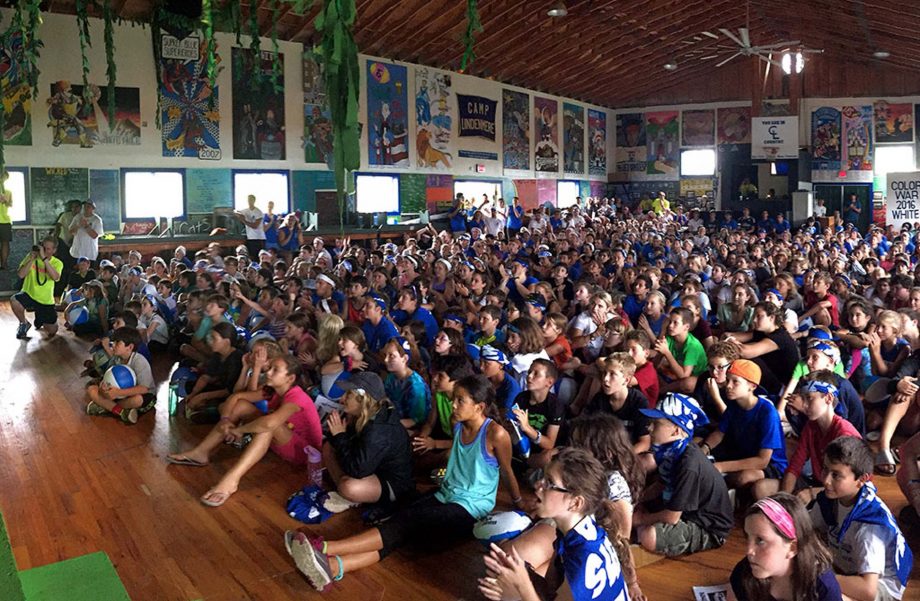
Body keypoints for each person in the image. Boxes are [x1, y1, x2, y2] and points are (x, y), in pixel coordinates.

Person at [285, 374, 522, 591]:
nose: (453, 405)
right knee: (401, 521)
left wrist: (519, 503)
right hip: (447, 494)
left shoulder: (496, 434)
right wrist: (427, 459)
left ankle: (324, 548)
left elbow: (507, 471)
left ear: (479, 407)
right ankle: (335, 567)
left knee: (408, 521)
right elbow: (457, 453)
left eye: (460, 401)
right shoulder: (458, 423)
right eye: (454, 399)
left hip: (472, 508)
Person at [167, 354, 322, 507]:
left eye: (275, 370)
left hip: (305, 454)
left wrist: (240, 430)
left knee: (268, 426)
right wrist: (226, 420)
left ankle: (230, 482)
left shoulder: (297, 397)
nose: (268, 372)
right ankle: (201, 452)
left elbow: (269, 423)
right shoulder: (272, 390)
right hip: (283, 439)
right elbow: (236, 398)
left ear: (290, 378)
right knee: (241, 405)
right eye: (270, 368)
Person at [478, 448, 629, 601]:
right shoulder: (578, 530)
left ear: (575, 503)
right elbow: (551, 589)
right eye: (543, 477)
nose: (538, 484)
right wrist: (523, 574)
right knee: (506, 576)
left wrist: (522, 589)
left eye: (550, 483)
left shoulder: (583, 559)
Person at [811, 436, 913, 601]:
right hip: (850, 567)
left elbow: (868, 590)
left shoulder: (869, 526)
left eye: (836, 475)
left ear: (862, 479)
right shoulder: (831, 499)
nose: (826, 480)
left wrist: (819, 577)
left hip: (879, 585)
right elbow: (809, 530)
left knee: (823, 594)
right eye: (825, 469)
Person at [634, 392, 733, 557]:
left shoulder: (689, 464)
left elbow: (672, 517)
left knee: (648, 536)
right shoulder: (670, 451)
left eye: (656, 424)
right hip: (684, 510)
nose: (649, 428)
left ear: (676, 431)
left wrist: (639, 519)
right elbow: (662, 483)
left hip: (707, 526)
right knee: (637, 508)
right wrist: (637, 500)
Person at [753, 373, 860, 503]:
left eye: (809, 398)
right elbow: (795, 466)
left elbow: (853, 483)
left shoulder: (844, 433)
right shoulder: (811, 426)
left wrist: (813, 493)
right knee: (761, 488)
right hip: (818, 483)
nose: (804, 404)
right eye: (803, 399)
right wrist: (784, 499)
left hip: (840, 492)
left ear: (828, 398)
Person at [322, 372, 415, 513]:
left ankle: (351, 496)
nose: (342, 399)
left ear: (363, 400)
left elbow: (357, 470)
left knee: (348, 487)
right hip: (370, 467)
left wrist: (340, 435)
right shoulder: (364, 415)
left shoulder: (378, 430)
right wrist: (338, 434)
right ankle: (350, 495)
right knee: (329, 447)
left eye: (348, 395)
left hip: (392, 482)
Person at [728, 493, 841, 601]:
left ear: (792, 548)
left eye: (760, 541)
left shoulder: (822, 587)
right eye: (747, 537)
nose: (749, 550)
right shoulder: (743, 576)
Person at [701, 359, 788, 493]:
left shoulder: (767, 412)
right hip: (743, 453)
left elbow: (762, 461)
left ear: (752, 386)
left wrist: (721, 467)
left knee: (744, 477)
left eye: (735, 382)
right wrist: (704, 448)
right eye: (728, 380)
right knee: (696, 448)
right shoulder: (734, 404)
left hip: (771, 464)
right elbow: (719, 433)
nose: (728, 386)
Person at [84, 327, 156, 424]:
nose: (113, 345)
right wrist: (104, 388)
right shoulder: (115, 359)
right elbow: (106, 378)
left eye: (117, 343)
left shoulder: (139, 361)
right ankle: (122, 412)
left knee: (137, 400)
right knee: (92, 389)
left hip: (142, 395)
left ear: (129, 347)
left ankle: (106, 406)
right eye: (113, 342)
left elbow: (144, 388)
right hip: (119, 395)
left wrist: (118, 392)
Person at [13, 236, 63, 340]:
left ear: (54, 250)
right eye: (43, 248)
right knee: (14, 300)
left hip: (45, 300)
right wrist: (31, 259)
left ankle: (40, 319)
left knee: (52, 330)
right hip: (29, 294)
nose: (44, 251)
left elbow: (55, 277)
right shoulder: (31, 257)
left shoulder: (57, 263)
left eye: (48, 249)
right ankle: (24, 324)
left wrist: (44, 259)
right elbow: (21, 275)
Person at [0, 169, 12, 270]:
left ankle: (4, 263)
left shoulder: (8, 192)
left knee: (5, 242)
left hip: (5, 220)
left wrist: (5, 201)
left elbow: (11, 204)